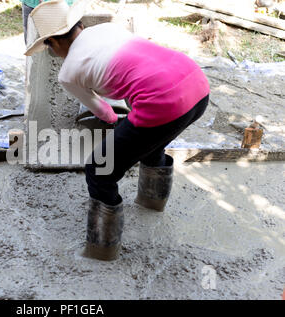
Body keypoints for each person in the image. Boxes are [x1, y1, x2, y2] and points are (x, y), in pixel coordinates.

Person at [24, 0, 210, 261]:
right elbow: (141, 70)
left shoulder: (68, 72)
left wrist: (117, 125)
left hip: (163, 101)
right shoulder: (107, 29)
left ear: (52, 43)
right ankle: (152, 203)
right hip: (197, 85)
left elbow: (103, 112)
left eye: (49, 47)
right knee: (151, 141)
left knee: (99, 169)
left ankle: (102, 249)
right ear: (77, 25)